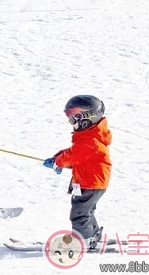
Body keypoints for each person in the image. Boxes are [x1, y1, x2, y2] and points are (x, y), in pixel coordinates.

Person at [43, 95, 112, 249]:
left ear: (88, 116)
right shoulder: (89, 137)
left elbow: (74, 155)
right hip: (90, 182)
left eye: (73, 117)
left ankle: (83, 241)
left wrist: (58, 162)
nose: (71, 122)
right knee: (85, 211)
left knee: (79, 214)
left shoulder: (90, 141)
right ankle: (92, 235)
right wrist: (57, 158)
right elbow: (75, 154)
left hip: (90, 183)